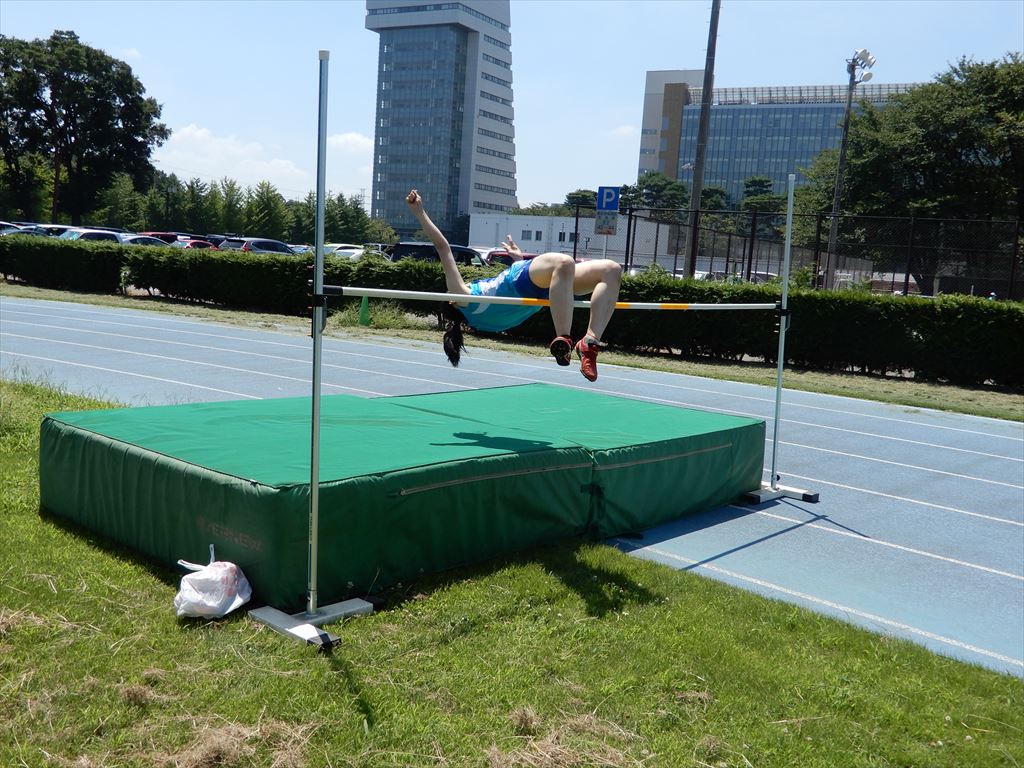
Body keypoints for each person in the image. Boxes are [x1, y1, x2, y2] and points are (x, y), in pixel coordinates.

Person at [406, 189, 622, 382]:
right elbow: (443, 248)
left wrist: (517, 259)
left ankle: (589, 343)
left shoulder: (482, 319)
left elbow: (507, 299)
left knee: (611, 270)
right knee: (564, 262)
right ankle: (564, 338)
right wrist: (419, 213)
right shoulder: (463, 297)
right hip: (525, 280)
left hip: (548, 287)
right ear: (452, 301)